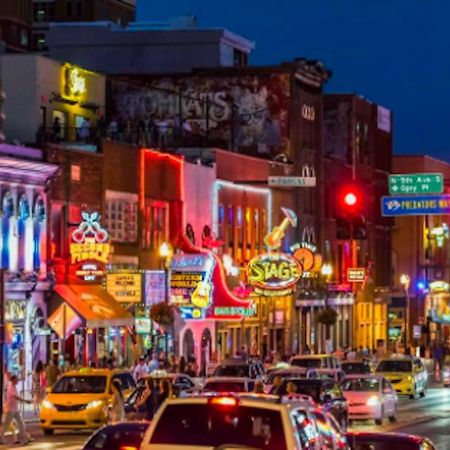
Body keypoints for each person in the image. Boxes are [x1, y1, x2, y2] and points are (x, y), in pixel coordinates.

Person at [1, 375, 32, 446]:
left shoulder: (14, 387)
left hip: (15, 409)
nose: (18, 381)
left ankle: (24, 440)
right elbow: (15, 396)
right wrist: (25, 400)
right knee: (6, 425)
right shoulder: (10, 387)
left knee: (21, 424)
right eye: (16, 380)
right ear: (13, 380)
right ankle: (1, 438)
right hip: (10, 409)